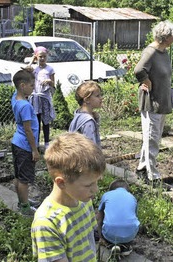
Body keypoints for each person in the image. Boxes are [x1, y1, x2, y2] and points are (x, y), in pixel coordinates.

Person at [31, 132, 105, 262]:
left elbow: (90, 241)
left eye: (97, 182)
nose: (96, 189)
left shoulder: (84, 201)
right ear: (61, 183)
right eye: (89, 185)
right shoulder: (47, 223)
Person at [134, 20, 173, 187]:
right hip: (151, 101)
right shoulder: (151, 52)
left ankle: (141, 169)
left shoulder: (163, 52)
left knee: (153, 138)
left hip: (161, 100)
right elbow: (139, 70)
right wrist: (146, 81)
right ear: (166, 37)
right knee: (152, 138)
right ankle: (152, 177)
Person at [11, 69, 40, 215]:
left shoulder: (15, 97)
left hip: (17, 142)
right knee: (24, 179)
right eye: (31, 85)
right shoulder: (26, 106)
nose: (33, 87)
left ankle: (23, 200)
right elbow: (28, 130)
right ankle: (24, 208)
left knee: (18, 176)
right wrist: (34, 150)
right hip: (25, 146)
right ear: (22, 85)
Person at [97, 179, 139, 256]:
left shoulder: (107, 195)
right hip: (129, 235)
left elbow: (100, 218)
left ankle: (109, 244)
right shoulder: (133, 197)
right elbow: (135, 217)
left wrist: (101, 237)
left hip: (109, 234)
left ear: (111, 189)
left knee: (101, 214)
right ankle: (125, 246)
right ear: (127, 189)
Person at [28, 46, 56, 149]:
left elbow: (53, 84)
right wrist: (32, 61)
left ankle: (46, 143)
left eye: (44, 56)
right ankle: (36, 143)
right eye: (40, 57)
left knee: (45, 121)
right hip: (35, 98)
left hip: (45, 98)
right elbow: (26, 68)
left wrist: (49, 81)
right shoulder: (34, 69)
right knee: (36, 121)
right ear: (36, 57)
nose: (42, 59)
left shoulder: (50, 69)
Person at [68, 81, 102, 146]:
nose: (101, 98)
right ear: (87, 100)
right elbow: (91, 148)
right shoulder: (88, 122)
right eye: (97, 96)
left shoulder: (78, 114)